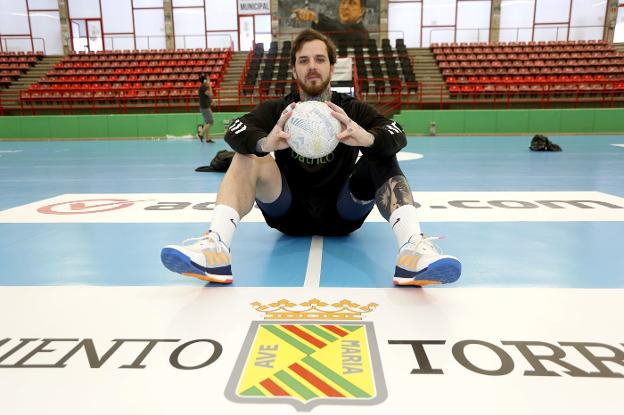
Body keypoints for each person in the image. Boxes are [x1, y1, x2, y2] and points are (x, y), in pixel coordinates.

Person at [160, 29, 461, 287]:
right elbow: (236, 131)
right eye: (304, 61)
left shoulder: (351, 110)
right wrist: (266, 142)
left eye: (319, 59)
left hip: (344, 212)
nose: (312, 67)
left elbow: (397, 133)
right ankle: (216, 249)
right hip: (287, 210)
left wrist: (366, 138)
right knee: (248, 153)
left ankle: (413, 251)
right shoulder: (281, 110)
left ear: (332, 66)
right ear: (294, 69)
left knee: (380, 153)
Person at [293, 0, 369, 46]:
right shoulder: (336, 26)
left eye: (352, 3)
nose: (345, 7)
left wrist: (315, 17)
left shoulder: (361, 33)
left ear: (361, 11)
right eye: (343, 2)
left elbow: (340, 29)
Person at [198, 74, 214, 143]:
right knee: (211, 122)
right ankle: (201, 134)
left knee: (207, 122)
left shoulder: (203, 87)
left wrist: (211, 101)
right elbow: (210, 94)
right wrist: (210, 85)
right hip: (205, 108)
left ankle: (207, 138)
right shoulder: (203, 87)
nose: (208, 80)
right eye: (207, 79)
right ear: (204, 80)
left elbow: (206, 97)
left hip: (205, 107)